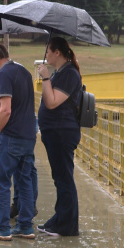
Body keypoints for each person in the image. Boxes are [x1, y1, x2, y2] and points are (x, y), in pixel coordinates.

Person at [0, 43, 37, 241]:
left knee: (1, 183)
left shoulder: (4, 75)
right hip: (28, 136)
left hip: (9, 136)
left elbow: (5, 109)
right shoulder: (25, 72)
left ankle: (2, 227)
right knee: (24, 181)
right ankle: (25, 226)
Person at [36, 37, 82, 237]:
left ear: (57, 52)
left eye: (48, 52)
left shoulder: (69, 73)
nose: (46, 56)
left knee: (64, 178)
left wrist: (46, 78)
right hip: (55, 131)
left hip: (62, 132)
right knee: (60, 177)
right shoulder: (61, 73)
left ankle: (66, 226)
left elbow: (52, 102)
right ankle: (60, 219)